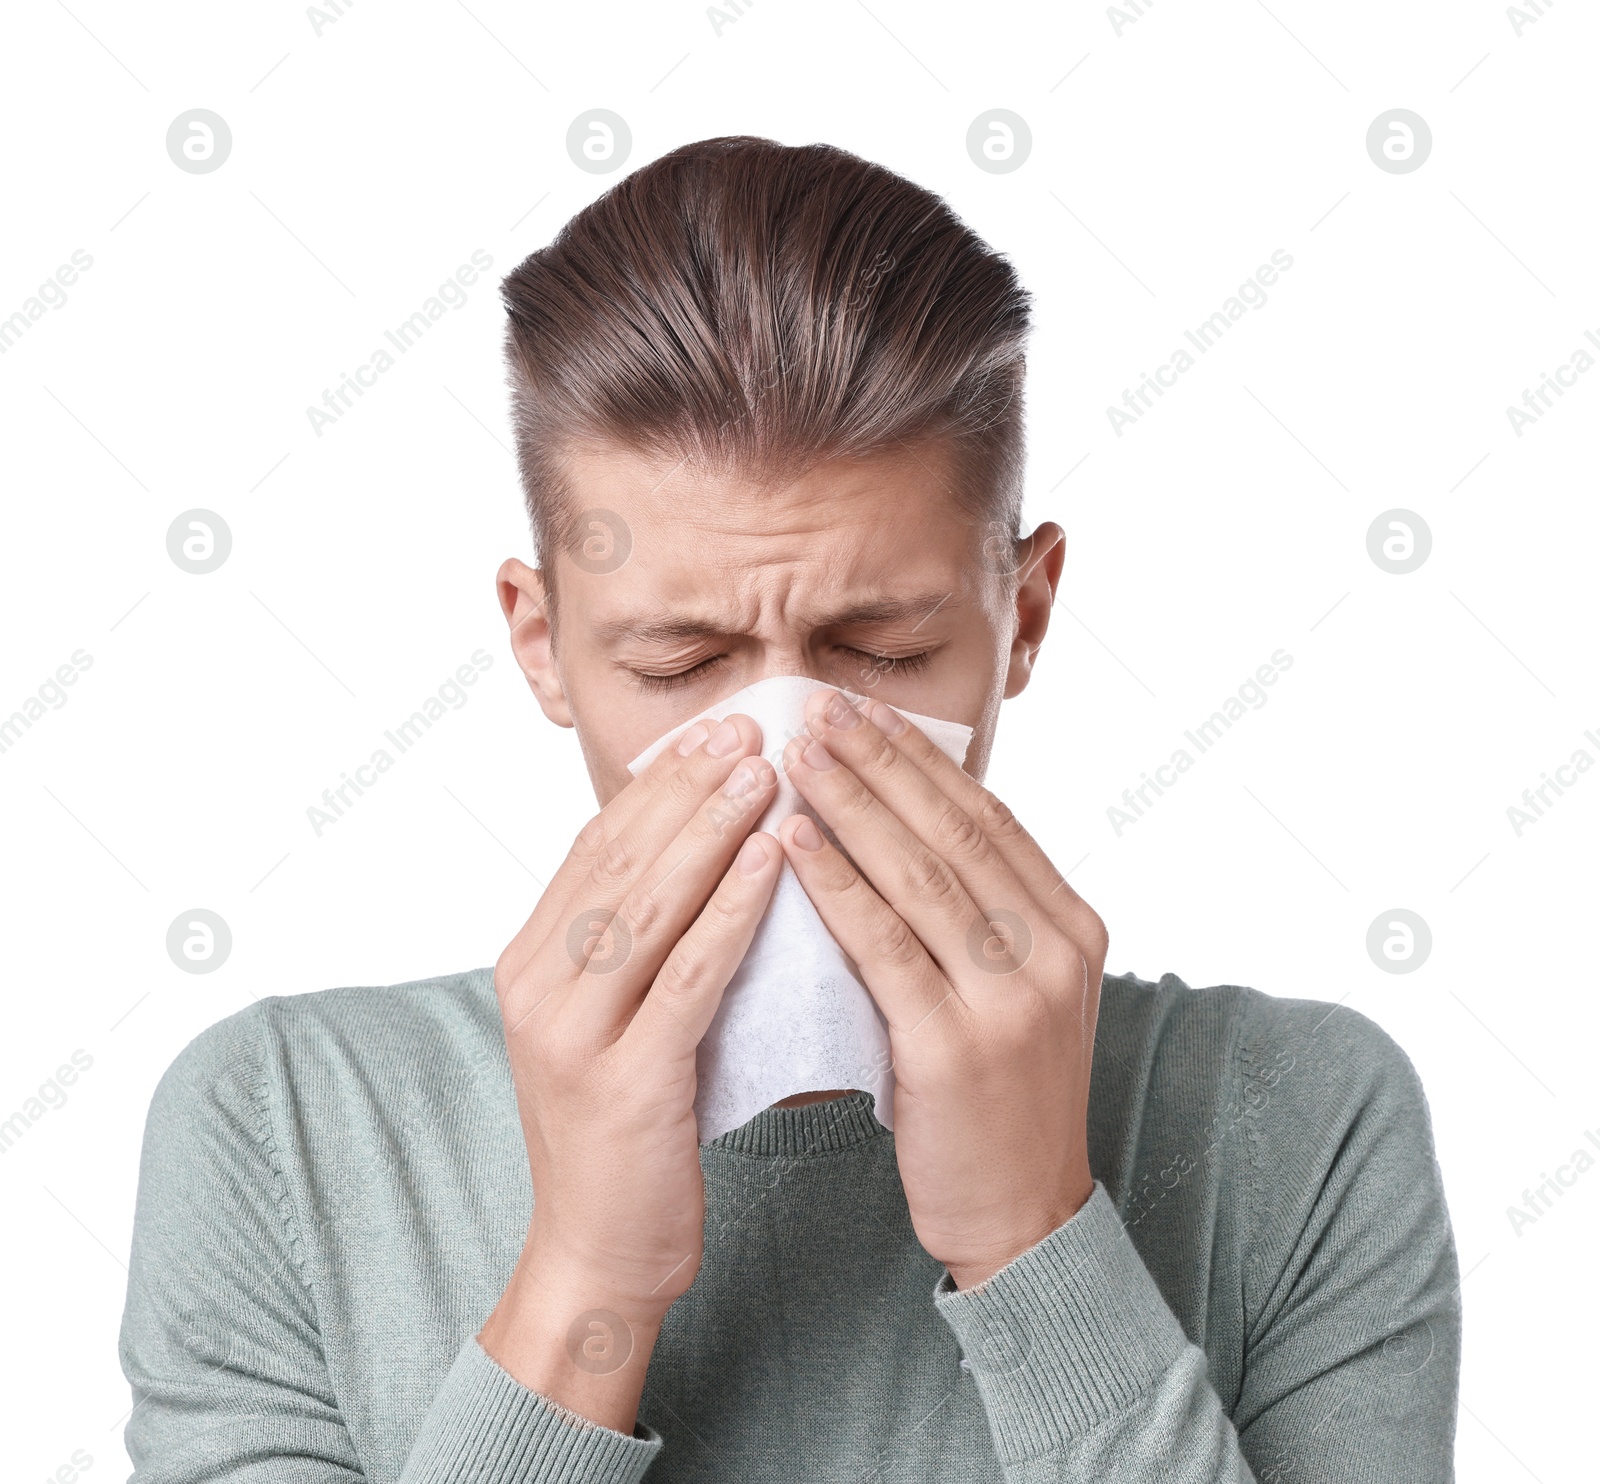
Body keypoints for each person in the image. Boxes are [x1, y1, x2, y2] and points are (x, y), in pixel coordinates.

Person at [120, 136, 1460, 1481]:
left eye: (882, 648)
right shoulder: (279, 1128)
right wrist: (588, 1278)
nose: (790, 750)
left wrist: (1039, 1245)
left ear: (1025, 617)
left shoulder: (1298, 1119)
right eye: (676, 664)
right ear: (544, 647)